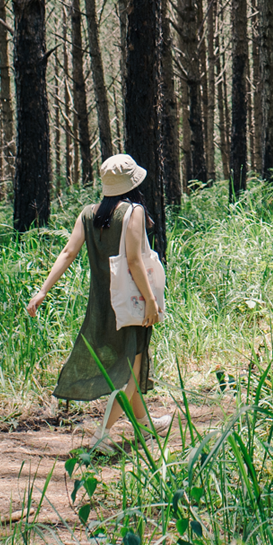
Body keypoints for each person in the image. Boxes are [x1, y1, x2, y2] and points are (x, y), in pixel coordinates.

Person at [26, 153, 172, 452]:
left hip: (103, 304)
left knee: (129, 362)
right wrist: (149, 302)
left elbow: (68, 252)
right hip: (131, 301)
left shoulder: (88, 213)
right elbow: (133, 261)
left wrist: (43, 290)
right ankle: (102, 434)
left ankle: (144, 424)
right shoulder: (134, 213)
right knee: (131, 368)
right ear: (132, 183)